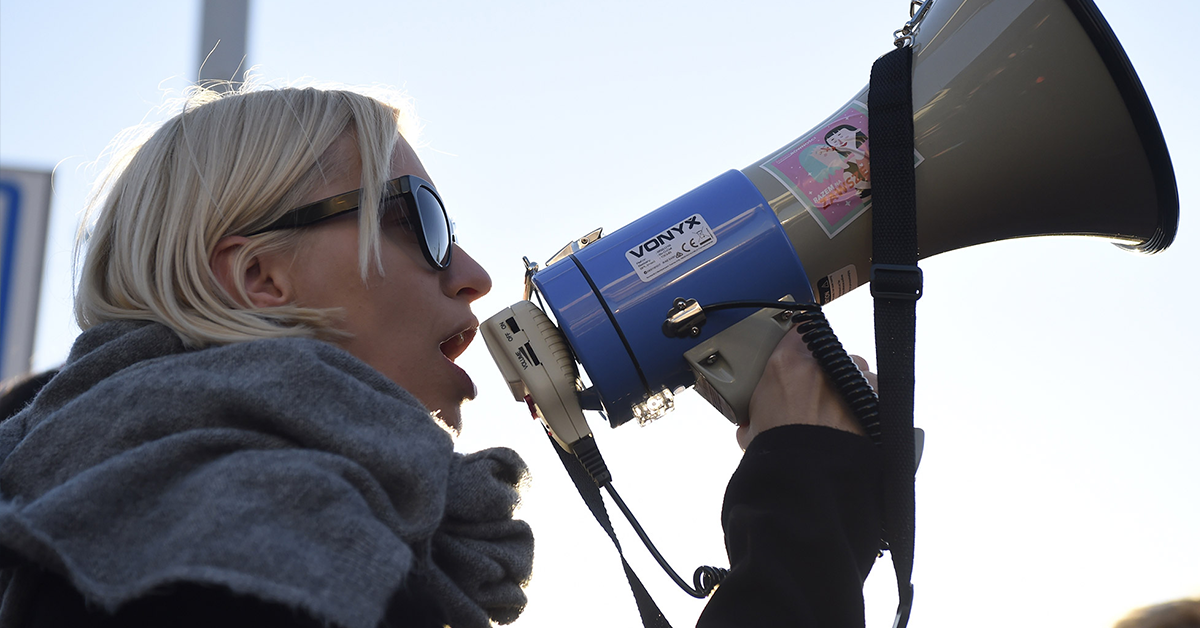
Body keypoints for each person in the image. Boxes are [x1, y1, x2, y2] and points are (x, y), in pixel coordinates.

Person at [0, 84, 881, 627]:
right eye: (421, 220)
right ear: (262, 276)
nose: (473, 275)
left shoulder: (141, 511)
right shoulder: (237, 531)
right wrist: (800, 500)